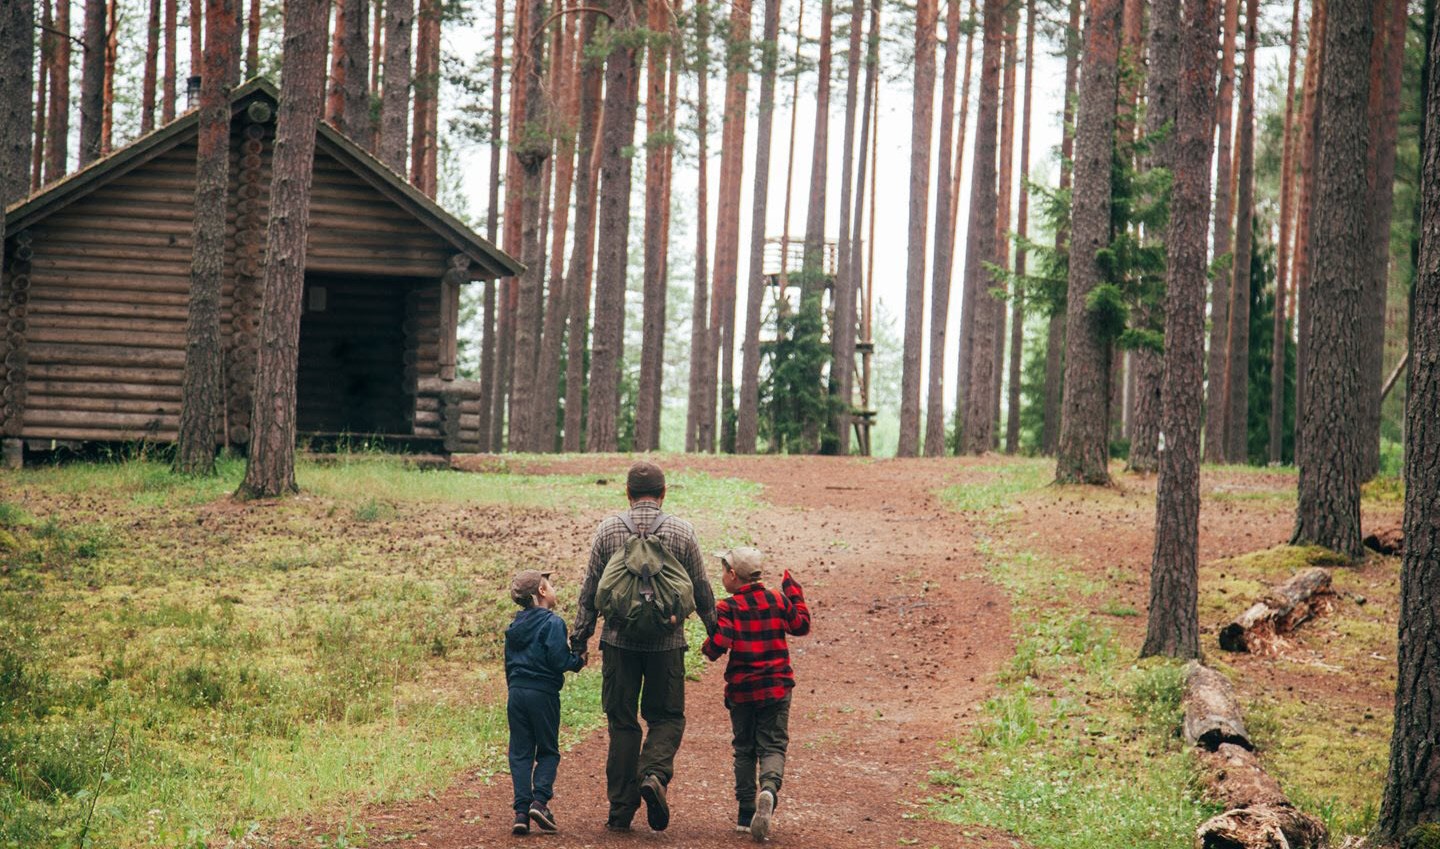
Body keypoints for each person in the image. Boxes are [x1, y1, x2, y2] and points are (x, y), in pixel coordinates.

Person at [570, 461, 718, 832]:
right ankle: (653, 774)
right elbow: (700, 588)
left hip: (618, 641)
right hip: (667, 643)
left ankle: (621, 810)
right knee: (666, 717)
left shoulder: (608, 530)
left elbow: (590, 590)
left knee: (622, 722)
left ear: (628, 494)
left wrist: (580, 639)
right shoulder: (682, 532)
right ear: (663, 493)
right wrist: (716, 632)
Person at [701, 547, 811, 842]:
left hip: (743, 690)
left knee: (745, 748)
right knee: (773, 745)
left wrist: (707, 646)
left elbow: (719, 643)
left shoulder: (729, 607)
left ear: (733, 576)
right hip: (777, 686)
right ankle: (769, 790)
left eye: (723, 570)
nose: (722, 575)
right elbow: (801, 625)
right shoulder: (777, 598)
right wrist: (793, 591)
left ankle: (745, 812)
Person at [505, 569, 586, 835]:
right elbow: (559, 661)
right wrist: (578, 660)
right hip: (543, 694)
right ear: (541, 592)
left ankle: (520, 813)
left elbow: (508, 665)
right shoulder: (553, 623)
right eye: (549, 585)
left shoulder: (514, 627)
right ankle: (539, 801)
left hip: (516, 693)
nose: (553, 588)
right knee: (548, 750)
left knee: (520, 752)